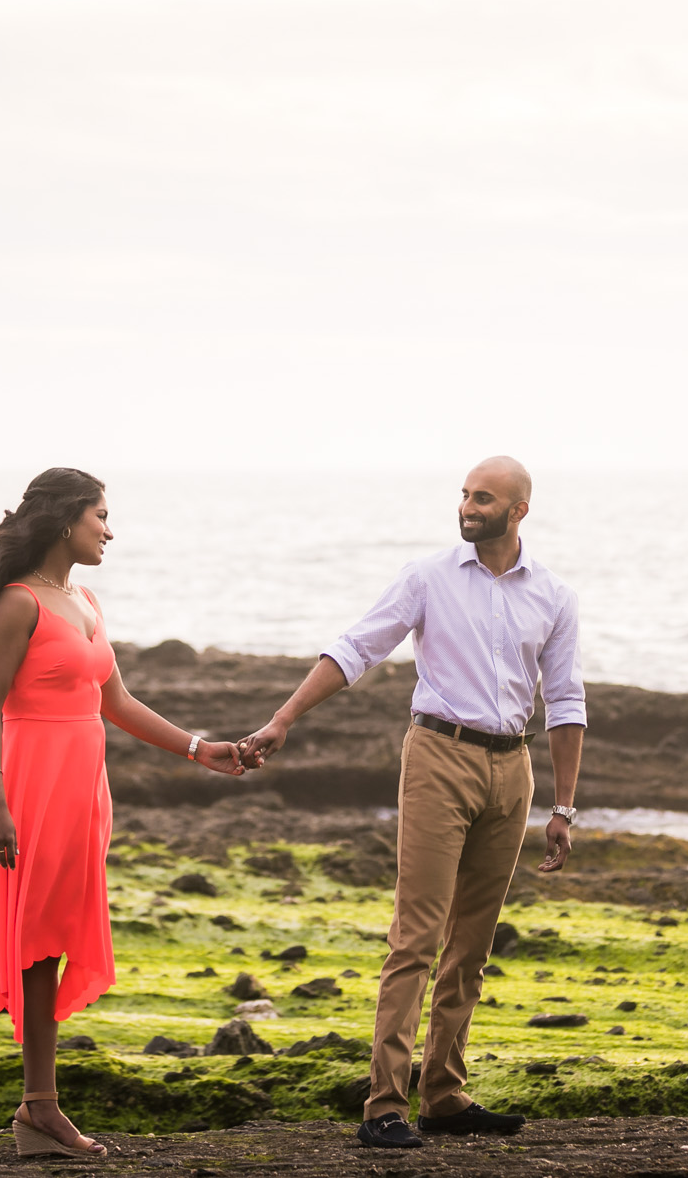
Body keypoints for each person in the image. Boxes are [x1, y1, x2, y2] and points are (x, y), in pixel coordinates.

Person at [0, 467, 246, 1162]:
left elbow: (118, 702)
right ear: (65, 520)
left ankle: (40, 1108)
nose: (110, 528)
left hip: (81, 794)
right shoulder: (17, 603)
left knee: (45, 941)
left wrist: (203, 749)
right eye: (101, 515)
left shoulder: (86, 601)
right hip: (22, 792)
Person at [238, 456, 585, 1150]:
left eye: (482, 497)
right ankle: (383, 1105)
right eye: (463, 494)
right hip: (437, 756)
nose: (467, 505)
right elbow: (356, 648)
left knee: (472, 944)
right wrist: (283, 717)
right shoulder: (428, 576)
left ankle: (445, 1094)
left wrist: (564, 807)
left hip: (511, 767)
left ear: (518, 510)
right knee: (417, 935)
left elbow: (566, 698)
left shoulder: (553, 593)